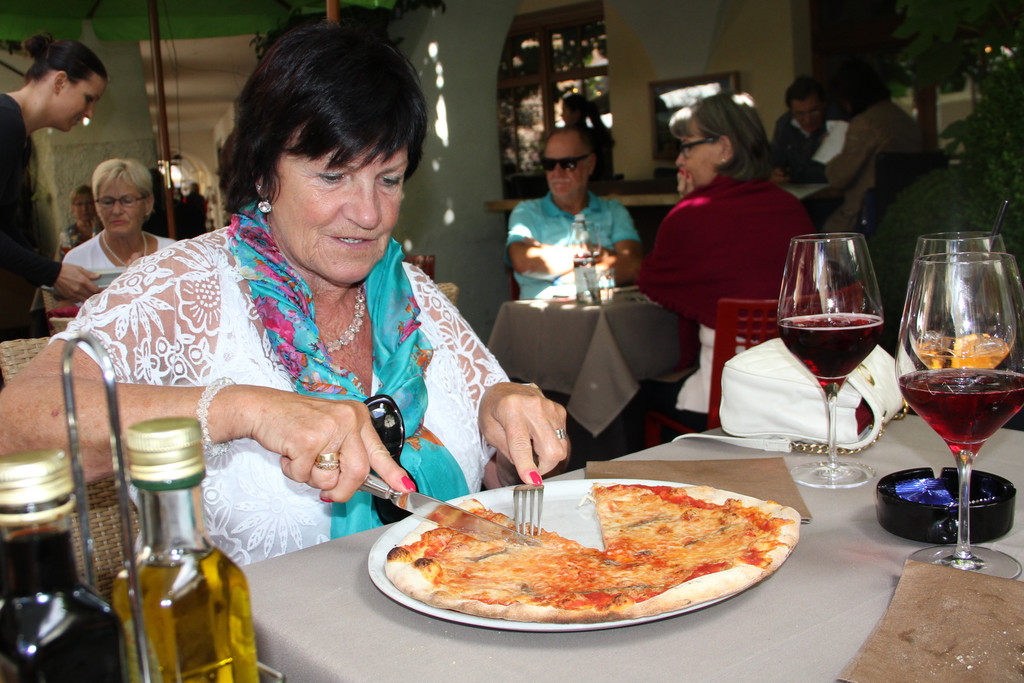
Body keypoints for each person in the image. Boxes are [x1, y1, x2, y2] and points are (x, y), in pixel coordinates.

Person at [0, 21, 568, 566]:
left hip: (453, 599)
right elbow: (13, 428)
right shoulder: (184, 288)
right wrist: (241, 408)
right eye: (333, 176)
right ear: (264, 173)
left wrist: (511, 434)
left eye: (389, 179)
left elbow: (490, 484)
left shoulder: (414, 296)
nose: (369, 214)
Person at [636, 91, 813, 430]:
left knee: (631, 390)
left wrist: (687, 202)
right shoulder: (793, 208)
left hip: (725, 398)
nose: (680, 160)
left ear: (725, 148)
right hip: (800, 392)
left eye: (687, 146)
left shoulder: (690, 217)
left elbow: (650, 282)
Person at [0, 33, 106, 302]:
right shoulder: (6, 122)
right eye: (88, 98)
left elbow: (5, 226)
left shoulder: (20, 136)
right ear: (60, 82)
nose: (90, 113)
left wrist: (57, 275)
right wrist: (53, 273)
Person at [506, 127, 641, 300]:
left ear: (590, 164)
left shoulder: (613, 211)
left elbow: (633, 267)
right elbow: (524, 262)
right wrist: (595, 252)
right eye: (549, 164)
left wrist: (565, 276)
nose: (557, 172)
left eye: (568, 164)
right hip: (544, 315)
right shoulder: (526, 212)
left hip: (603, 313)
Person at [822, 59, 922, 233]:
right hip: (906, 214)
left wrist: (831, 151)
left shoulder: (865, 124)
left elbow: (838, 178)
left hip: (865, 218)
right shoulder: (905, 120)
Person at [62, 158, 174, 271]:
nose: (116, 211)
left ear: (148, 204)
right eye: (107, 202)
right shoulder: (77, 261)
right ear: (96, 206)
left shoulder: (171, 252)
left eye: (127, 201)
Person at [768, 76, 833, 185]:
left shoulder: (836, 124)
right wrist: (775, 173)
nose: (808, 120)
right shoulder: (784, 125)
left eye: (814, 112)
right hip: (795, 192)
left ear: (824, 104)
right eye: (800, 114)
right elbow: (775, 160)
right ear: (791, 111)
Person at [561, 94, 614, 181]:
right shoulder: (592, 133)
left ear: (576, 113)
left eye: (564, 110)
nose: (562, 115)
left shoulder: (577, 136)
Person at [58, 184, 98, 257]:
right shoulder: (67, 235)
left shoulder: (106, 230)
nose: (84, 208)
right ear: (73, 208)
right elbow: (66, 259)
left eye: (89, 203)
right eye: (79, 204)